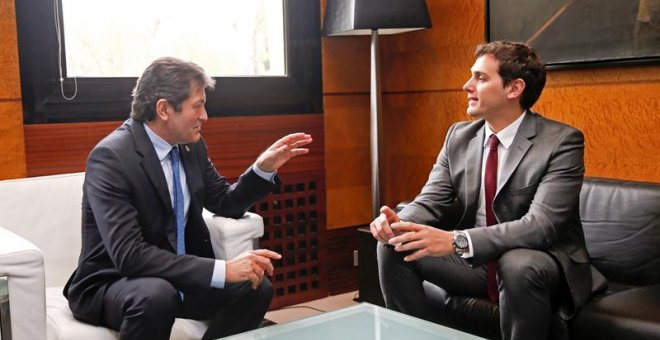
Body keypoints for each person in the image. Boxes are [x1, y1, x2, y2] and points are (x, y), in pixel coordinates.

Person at [63, 57, 313, 340]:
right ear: (164, 109)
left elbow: (224, 202)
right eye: (197, 106)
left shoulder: (190, 147)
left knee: (257, 285)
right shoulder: (112, 158)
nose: (205, 116)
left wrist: (263, 169)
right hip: (115, 282)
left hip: (176, 277)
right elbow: (129, 255)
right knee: (156, 295)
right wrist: (223, 269)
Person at [370, 41, 592, 340]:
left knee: (516, 263)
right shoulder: (459, 136)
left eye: (481, 78)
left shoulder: (561, 141)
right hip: (476, 262)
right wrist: (397, 222)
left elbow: (541, 227)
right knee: (394, 246)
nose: (467, 85)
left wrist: (457, 241)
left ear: (514, 89)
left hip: (539, 262)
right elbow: (430, 199)